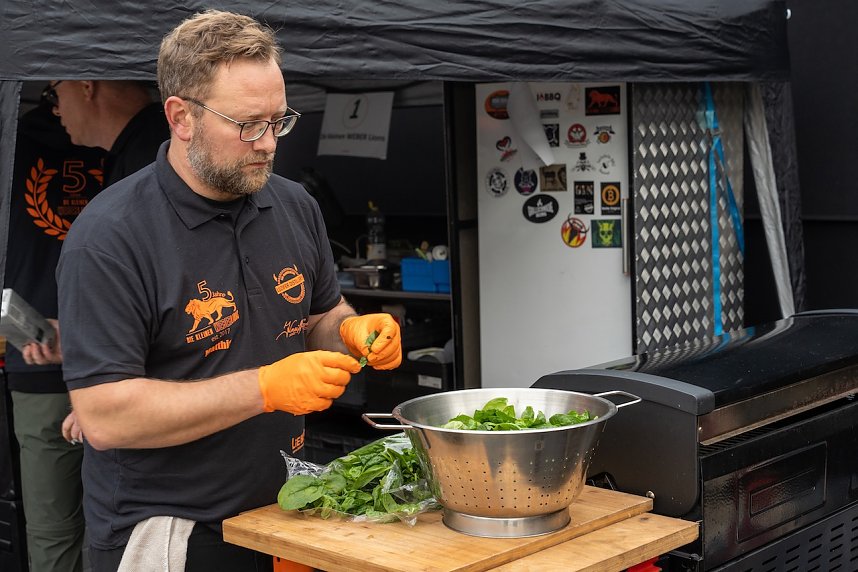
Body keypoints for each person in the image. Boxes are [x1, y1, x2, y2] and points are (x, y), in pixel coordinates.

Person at [56, 9, 402, 572]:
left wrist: (350, 332)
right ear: (181, 117)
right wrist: (265, 387)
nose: (268, 143)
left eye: (278, 120)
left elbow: (319, 314)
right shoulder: (111, 236)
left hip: (280, 509)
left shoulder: (293, 205)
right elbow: (106, 416)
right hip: (169, 528)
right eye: (247, 124)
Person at [4, 97, 106, 572]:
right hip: (68, 360)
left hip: (113, 366)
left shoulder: (13, 140)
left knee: (56, 532)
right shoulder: (132, 137)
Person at [45, 79, 170, 186]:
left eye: (54, 94)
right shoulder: (151, 143)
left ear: (86, 86)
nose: (56, 110)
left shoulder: (152, 157)